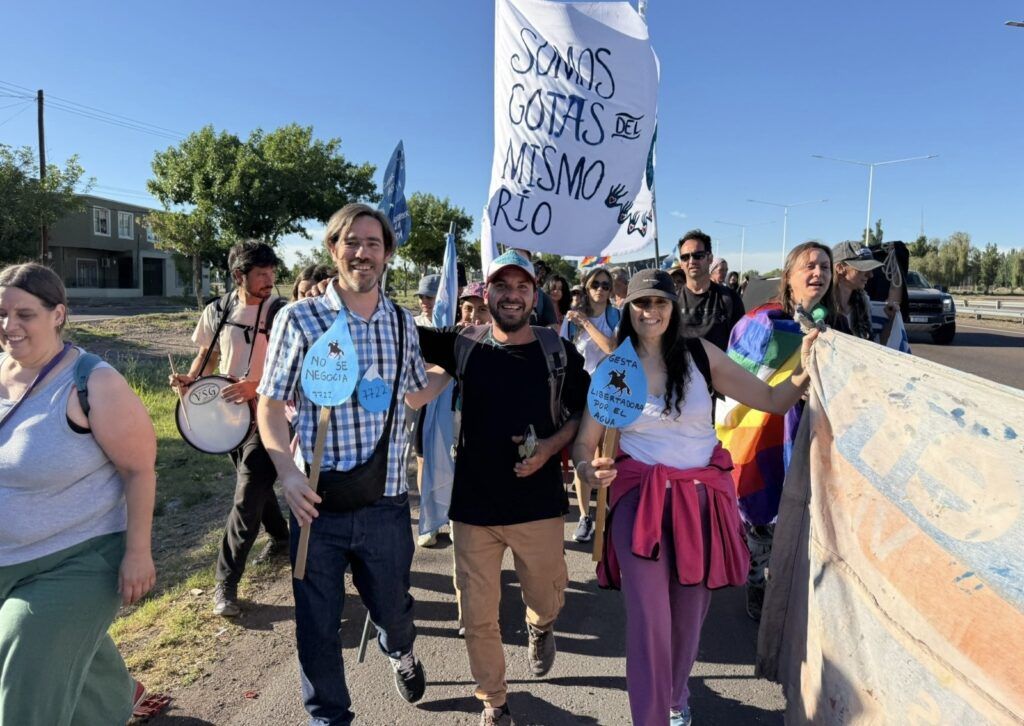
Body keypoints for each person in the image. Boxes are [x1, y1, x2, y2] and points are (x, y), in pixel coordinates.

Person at [573, 269, 817, 726]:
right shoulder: (615, 369)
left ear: (673, 307)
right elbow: (585, 445)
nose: (651, 312)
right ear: (629, 309)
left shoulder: (701, 356)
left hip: (699, 502)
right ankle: (650, 719)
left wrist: (807, 366)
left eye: (660, 303)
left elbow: (772, 399)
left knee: (688, 619)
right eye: (642, 304)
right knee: (649, 622)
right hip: (638, 502)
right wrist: (590, 469)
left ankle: (675, 696)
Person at [256, 203, 442, 724]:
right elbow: (269, 406)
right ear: (334, 249)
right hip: (315, 502)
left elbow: (412, 394)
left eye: (374, 243)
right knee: (316, 626)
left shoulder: (403, 323)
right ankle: (328, 716)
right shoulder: (299, 319)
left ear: (387, 254)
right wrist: (288, 474)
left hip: (384, 502)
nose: (363, 252)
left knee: (393, 609)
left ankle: (400, 650)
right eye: (352, 242)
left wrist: (456, 363)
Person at [417, 249, 590, 726]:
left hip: (537, 506)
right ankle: (494, 701)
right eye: (503, 287)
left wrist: (552, 446)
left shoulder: (558, 351)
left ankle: (541, 626)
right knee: (478, 616)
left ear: (534, 295)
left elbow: (583, 411)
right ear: (486, 292)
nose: (512, 296)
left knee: (546, 596)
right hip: (474, 508)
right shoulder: (462, 344)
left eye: (522, 288)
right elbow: (394, 331)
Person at [0, 263, 157, 725]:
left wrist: (139, 553)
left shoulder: (94, 382)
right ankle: (114, 697)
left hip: (79, 558)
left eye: (25, 314)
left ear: (58, 314)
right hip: (9, 556)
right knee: (53, 651)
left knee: (21, 657)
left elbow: (139, 469)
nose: (10, 326)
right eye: (1, 313)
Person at [169, 241, 289, 617]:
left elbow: (294, 365)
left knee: (247, 492)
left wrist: (258, 385)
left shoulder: (284, 313)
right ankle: (283, 538)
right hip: (227, 417)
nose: (269, 280)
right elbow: (208, 357)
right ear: (239, 276)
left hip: (271, 414)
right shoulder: (217, 311)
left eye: (272, 272)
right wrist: (190, 380)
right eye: (261, 274)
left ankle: (226, 583)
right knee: (252, 484)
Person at [718, 241, 837, 621]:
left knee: (807, 515)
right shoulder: (763, 322)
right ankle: (756, 580)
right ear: (789, 277)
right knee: (763, 512)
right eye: (809, 266)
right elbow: (737, 379)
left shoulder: (835, 324)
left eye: (825, 266)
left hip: (815, 430)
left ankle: (794, 587)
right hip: (769, 429)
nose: (818, 273)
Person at [560, 266, 619, 543]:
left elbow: (612, 348)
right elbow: (561, 352)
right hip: (580, 393)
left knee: (605, 455)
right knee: (582, 457)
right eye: (596, 284)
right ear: (586, 286)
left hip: (608, 393)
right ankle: (585, 517)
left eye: (606, 285)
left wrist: (585, 322)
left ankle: (605, 513)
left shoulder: (615, 316)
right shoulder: (571, 320)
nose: (601, 289)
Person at [676, 230, 745, 352]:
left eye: (698, 255)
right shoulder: (672, 301)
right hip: (683, 370)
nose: (691, 261)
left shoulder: (730, 298)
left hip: (722, 370)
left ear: (710, 258)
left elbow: (742, 344)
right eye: (685, 257)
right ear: (681, 263)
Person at [831, 240, 898, 340]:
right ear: (840, 268)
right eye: (863, 268)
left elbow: (874, 348)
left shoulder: (864, 304)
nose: (870, 275)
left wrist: (891, 319)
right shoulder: (820, 307)